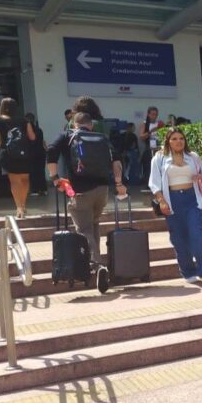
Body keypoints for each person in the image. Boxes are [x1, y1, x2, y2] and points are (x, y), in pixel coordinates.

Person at [46, 111, 127, 292]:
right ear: (91, 124)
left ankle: (98, 265)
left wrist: (55, 178)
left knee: (84, 229)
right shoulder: (102, 137)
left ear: (73, 124)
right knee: (94, 225)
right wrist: (119, 183)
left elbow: (51, 151)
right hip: (102, 190)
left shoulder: (68, 135)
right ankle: (95, 262)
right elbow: (116, 160)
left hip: (80, 190)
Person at [149, 128, 202, 283]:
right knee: (179, 238)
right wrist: (162, 201)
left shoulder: (193, 157)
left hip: (193, 199)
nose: (178, 141)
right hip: (172, 201)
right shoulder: (159, 158)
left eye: (181, 138)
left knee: (197, 235)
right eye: (174, 139)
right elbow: (154, 183)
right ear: (168, 141)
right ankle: (187, 271)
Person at [0, 97, 37, 218]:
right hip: (24, 154)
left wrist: (5, 146)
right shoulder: (24, 120)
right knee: (25, 180)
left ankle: (19, 208)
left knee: (15, 181)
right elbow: (32, 137)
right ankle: (23, 204)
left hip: (8, 155)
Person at [25, 112, 48, 196]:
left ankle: (35, 190)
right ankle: (43, 189)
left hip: (32, 153)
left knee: (33, 172)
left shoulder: (27, 130)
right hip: (41, 153)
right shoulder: (39, 130)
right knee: (41, 171)